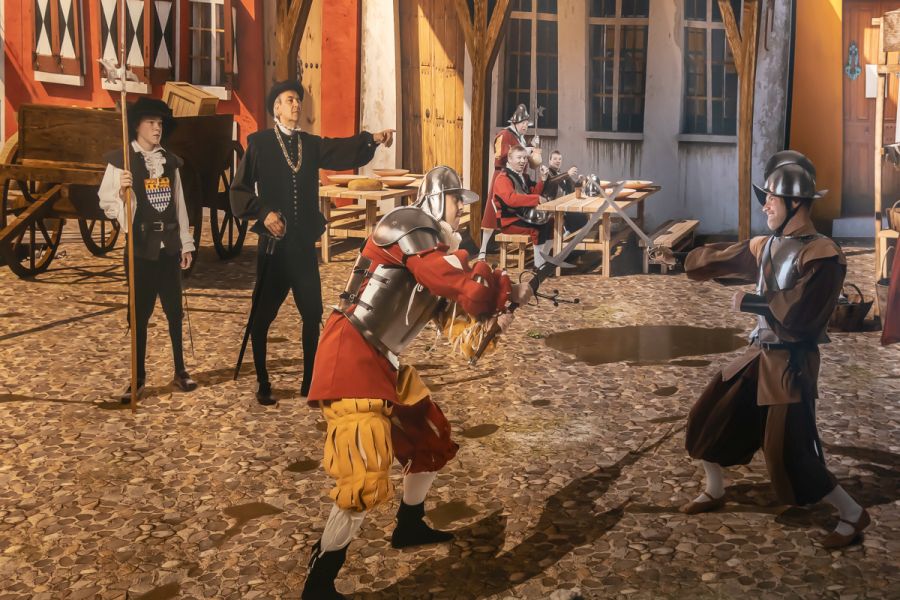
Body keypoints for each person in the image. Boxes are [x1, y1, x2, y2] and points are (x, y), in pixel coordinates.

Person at [301, 166, 533, 598]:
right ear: (436, 198)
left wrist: (499, 319)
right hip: (351, 353)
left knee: (429, 437)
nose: (463, 209)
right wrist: (499, 286)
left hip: (384, 360)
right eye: (457, 199)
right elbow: (459, 284)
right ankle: (319, 582)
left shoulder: (439, 255)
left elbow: (466, 340)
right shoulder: (406, 225)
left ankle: (409, 525)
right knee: (363, 476)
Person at [665, 150, 870, 550]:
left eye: (771, 199)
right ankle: (715, 489)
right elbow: (723, 257)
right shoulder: (769, 245)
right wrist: (679, 258)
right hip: (760, 355)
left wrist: (754, 302)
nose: (765, 206)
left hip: (791, 365)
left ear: (795, 203)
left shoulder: (824, 255)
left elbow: (803, 314)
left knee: (789, 451)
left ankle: (851, 513)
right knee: (709, 415)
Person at [230, 80, 395, 405]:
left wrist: (373, 139)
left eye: (298, 100)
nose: (296, 105)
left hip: (303, 247)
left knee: (312, 314)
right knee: (261, 318)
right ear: (276, 108)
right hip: (274, 249)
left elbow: (340, 150)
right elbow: (238, 190)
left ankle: (310, 383)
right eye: (289, 100)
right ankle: (263, 381)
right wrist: (263, 213)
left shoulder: (309, 144)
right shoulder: (260, 144)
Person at [98, 97, 197, 403]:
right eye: (151, 123)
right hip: (141, 249)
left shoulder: (170, 162)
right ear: (137, 126)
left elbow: (179, 203)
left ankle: (180, 370)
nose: (157, 128)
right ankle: (138, 377)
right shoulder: (122, 162)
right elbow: (110, 207)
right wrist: (122, 191)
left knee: (174, 311)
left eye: (160, 123)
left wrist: (186, 243)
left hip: (169, 248)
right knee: (139, 314)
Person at [477, 103, 540, 260]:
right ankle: (483, 249)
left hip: (518, 177)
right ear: (515, 122)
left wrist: (531, 146)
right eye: (522, 123)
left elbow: (521, 154)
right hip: (504, 176)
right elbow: (501, 155)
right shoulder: (504, 134)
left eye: (527, 123)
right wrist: (526, 150)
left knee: (519, 208)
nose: (525, 126)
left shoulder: (520, 137)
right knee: (492, 213)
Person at [493, 145, 554, 268]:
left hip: (522, 216)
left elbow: (533, 192)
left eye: (525, 158)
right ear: (510, 159)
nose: (523, 161)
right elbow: (511, 200)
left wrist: (542, 180)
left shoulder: (523, 176)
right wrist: (536, 199)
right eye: (519, 158)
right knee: (538, 228)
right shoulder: (503, 178)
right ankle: (539, 265)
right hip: (509, 221)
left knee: (551, 222)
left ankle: (544, 258)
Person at [542, 149, 583, 233]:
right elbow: (552, 181)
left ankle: (572, 235)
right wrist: (567, 174)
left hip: (564, 205)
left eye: (560, 159)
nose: (558, 161)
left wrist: (580, 181)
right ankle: (570, 235)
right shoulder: (547, 173)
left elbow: (573, 188)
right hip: (552, 207)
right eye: (555, 159)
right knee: (579, 217)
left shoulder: (562, 174)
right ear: (549, 161)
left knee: (582, 215)